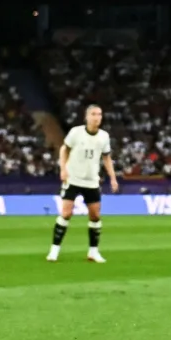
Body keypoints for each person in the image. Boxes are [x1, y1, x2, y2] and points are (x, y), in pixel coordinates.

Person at [47, 105, 118, 264]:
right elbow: (64, 149)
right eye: (93, 114)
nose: (97, 117)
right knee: (66, 213)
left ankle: (93, 252)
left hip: (92, 181)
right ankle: (54, 250)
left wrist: (113, 177)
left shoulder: (104, 136)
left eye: (99, 114)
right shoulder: (76, 132)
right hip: (73, 179)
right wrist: (63, 169)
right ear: (87, 117)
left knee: (95, 216)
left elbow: (106, 157)